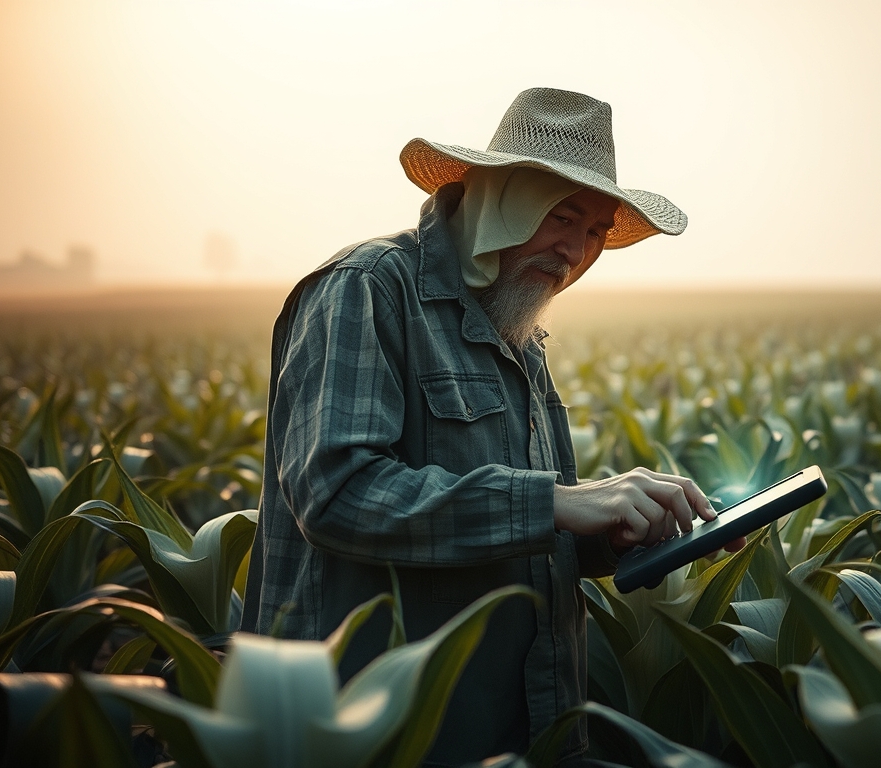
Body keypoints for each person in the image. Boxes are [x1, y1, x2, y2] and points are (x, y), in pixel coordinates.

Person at [240, 87, 741, 765]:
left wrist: (616, 536)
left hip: (512, 731)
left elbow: (521, 531)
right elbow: (337, 494)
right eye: (562, 217)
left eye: (596, 231)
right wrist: (559, 502)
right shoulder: (367, 288)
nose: (575, 251)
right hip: (379, 732)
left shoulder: (519, 333)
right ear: (499, 199)